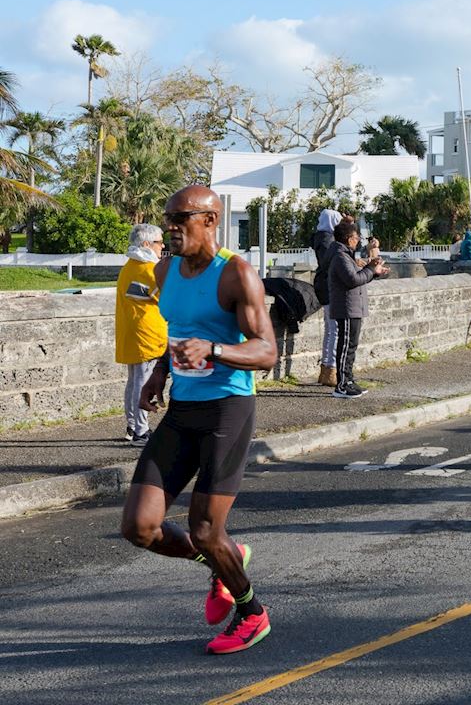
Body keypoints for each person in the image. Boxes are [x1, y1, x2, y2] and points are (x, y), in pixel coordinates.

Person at [119, 185, 279, 654]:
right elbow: (177, 330)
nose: (170, 227)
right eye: (167, 218)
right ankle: (220, 561)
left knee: (208, 528)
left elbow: (267, 350)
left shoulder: (236, 275)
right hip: (182, 408)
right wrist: (159, 376)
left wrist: (215, 350)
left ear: (210, 220)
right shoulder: (165, 269)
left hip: (227, 408)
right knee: (139, 527)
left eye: (180, 218)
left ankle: (251, 613)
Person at [116, 223, 168, 444]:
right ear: (146, 244)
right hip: (148, 334)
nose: (162, 245)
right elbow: (166, 299)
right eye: (158, 242)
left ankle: (132, 425)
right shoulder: (149, 270)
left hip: (131, 333)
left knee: (134, 382)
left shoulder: (129, 267)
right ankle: (141, 430)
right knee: (143, 382)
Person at [328, 220, 389, 397]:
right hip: (346, 307)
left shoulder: (347, 255)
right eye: (356, 237)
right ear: (349, 239)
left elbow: (359, 277)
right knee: (346, 346)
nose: (358, 241)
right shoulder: (340, 256)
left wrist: (373, 270)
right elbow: (352, 280)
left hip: (353, 306)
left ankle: (349, 380)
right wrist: (371, 269)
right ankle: (341, 385)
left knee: (351, 346)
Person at [311, 209, 342, 388]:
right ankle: (331, 368)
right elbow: (331, 263)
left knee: (330, 329)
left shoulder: (322, 238)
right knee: (334, 329)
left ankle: (327, 369)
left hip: (324, 286)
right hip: (328, 287)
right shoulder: (327, 240)